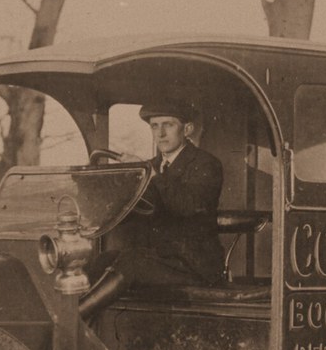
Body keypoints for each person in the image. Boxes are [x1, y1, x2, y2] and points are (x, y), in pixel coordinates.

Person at [79, 99, 225, 319]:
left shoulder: (206, 164)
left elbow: (188, 205)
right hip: (160, 260)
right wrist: (114, 188)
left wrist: (151, 177)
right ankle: (73, 319)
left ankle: (74, 320)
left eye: (168, 125)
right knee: (102, 261)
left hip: (194, 265)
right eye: (155, 126)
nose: (160, 133)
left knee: (132, 263)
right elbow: (131, 212)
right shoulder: (150, 167)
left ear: (187, 129)